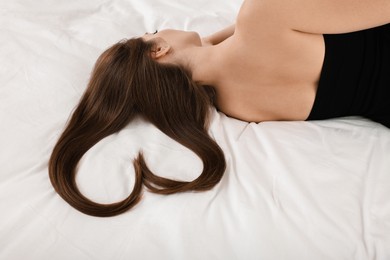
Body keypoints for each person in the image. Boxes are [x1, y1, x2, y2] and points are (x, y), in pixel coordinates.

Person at [49, 0, 390, 217]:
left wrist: (197, 51)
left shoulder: (238, 106)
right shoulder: (262, 17)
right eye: (153, 32)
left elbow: (233, 48)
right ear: (158, 49)